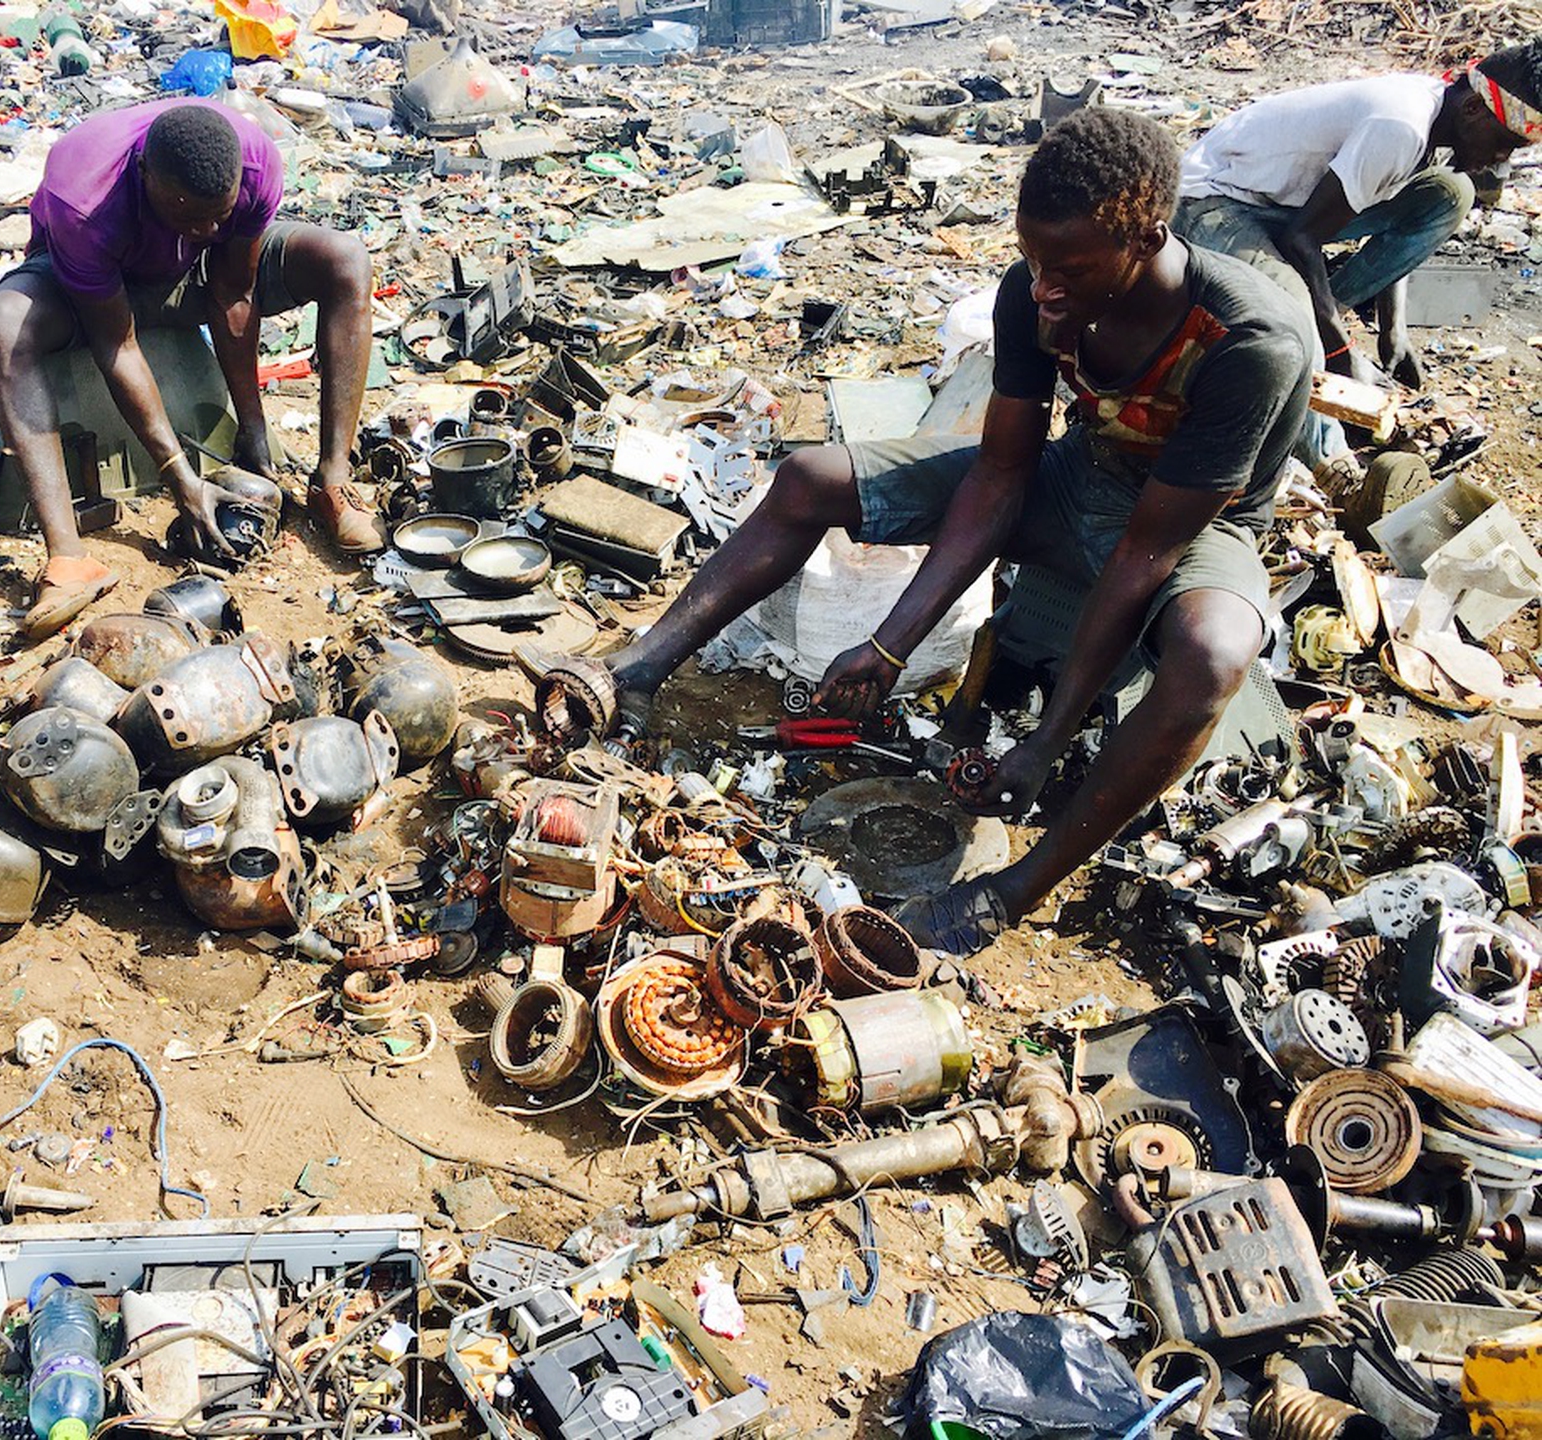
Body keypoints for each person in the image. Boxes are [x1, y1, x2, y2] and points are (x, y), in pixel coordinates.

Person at [540, 108, 1311, 956]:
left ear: (1147, 237)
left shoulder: (1246, 341)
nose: (1044, 289)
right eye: (1033, 259)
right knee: (810, 479)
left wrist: (1048, 740)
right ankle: (645, 665)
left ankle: (1013, 891)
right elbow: (1003, 471)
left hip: (1195, 526)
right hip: (1072, 478)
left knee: (1213, 655)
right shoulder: (1038, 291)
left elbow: (1146, 552)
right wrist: (890, 645)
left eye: (1072, 268)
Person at [0, 100, 383, 640]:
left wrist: (254, 432)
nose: (209, 227)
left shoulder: (253, 162)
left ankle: (333, 482)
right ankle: (69, 559)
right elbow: (116, 343)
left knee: (346, 259)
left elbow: (233, 292)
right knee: (6, 321)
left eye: (220, 215)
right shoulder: (83, 198)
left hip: (191, 278)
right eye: (192, 215)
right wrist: (180, 476)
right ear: (145, 176)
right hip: (97, 289)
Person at [1176, 42, 1539, 404]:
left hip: (1291, 208)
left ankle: (1325, 310)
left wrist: (1393, 329)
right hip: (1217, 201)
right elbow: (1301, 239)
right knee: (1291, 338)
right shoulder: (1402, 126)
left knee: (1450, 193)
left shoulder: (1446, 117)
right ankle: (1328, 452)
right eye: (1504, 145)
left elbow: (1373, 203)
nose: (1500, 160)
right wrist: (1342, 352)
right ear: (1474, 108)